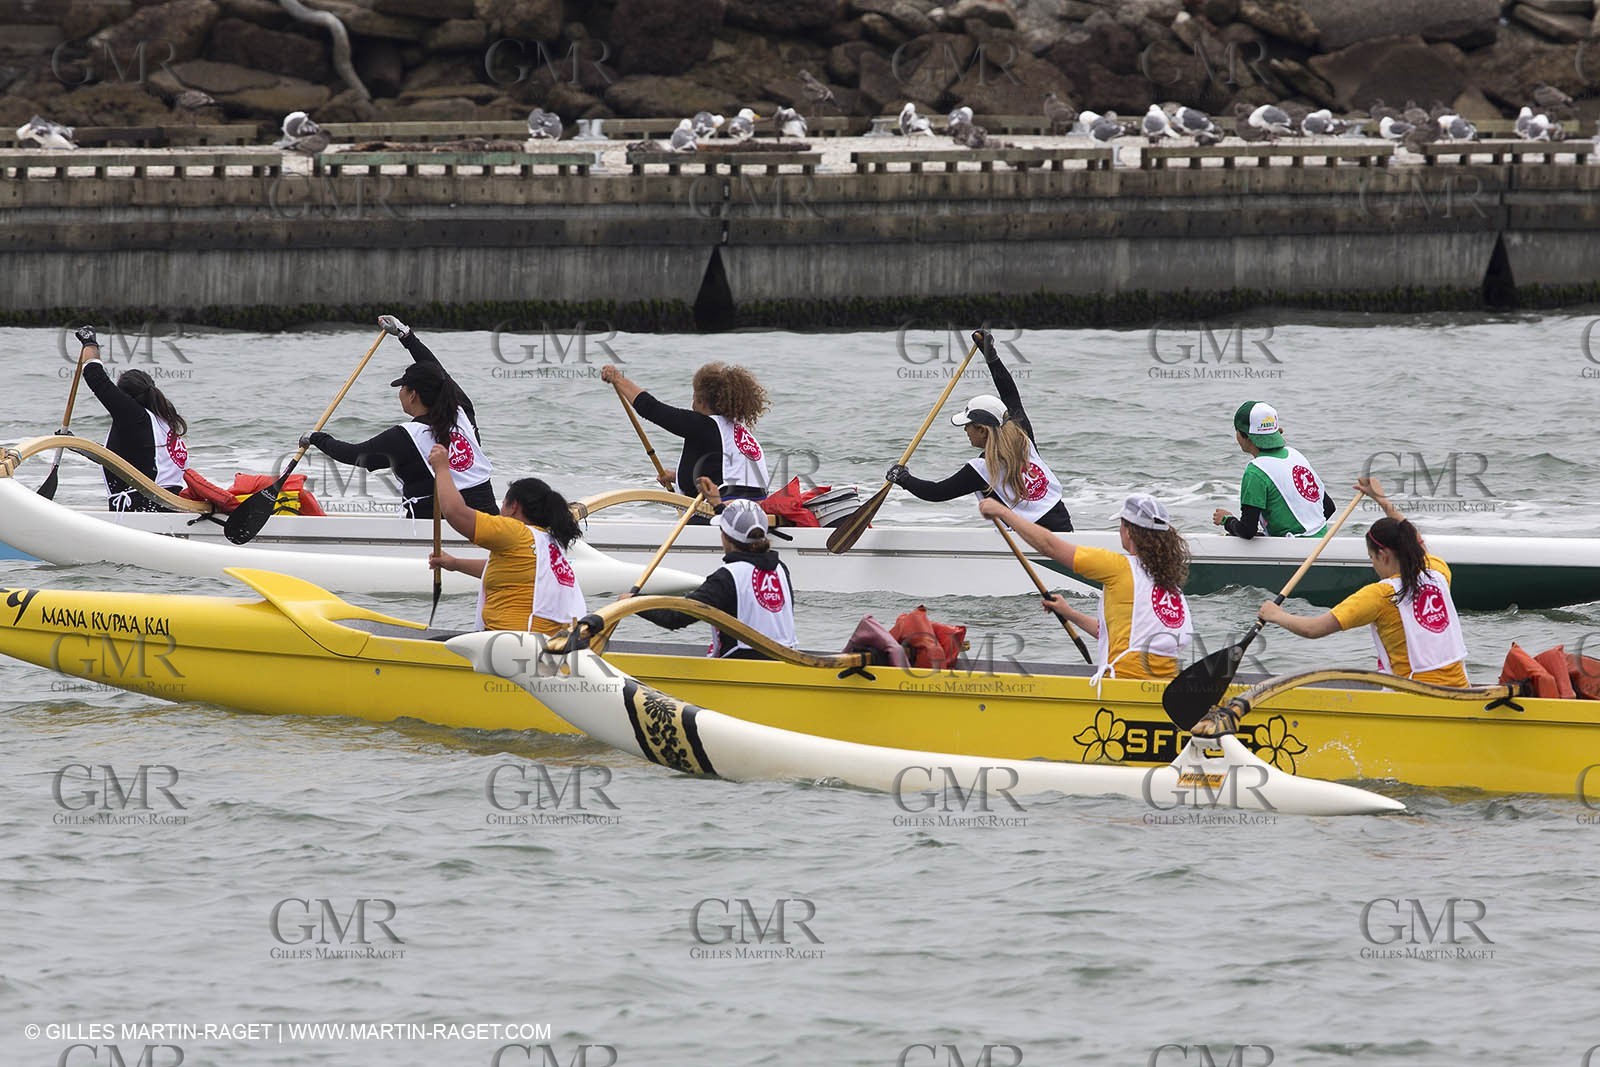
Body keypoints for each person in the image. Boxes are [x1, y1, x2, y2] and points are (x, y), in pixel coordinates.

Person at [1257, 477, 1468, 686]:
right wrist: (1382, 500)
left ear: (1383, 555)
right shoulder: (1438, 572)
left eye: (1371, 558)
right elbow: (1414, 540)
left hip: (1415, 697)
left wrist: (1276, 615)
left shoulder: (1380, 595)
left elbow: (1313, 629)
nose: (1373, 566)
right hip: (1460, 688)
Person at [979, 493, 1192, 681]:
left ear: (1129, 532)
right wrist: (1069, 612)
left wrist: (1003, 512)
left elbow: (1049, 546)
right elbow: (1109, 633)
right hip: (1168, 685)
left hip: (1125, 682)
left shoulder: (1118, 568)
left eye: (1121, 525)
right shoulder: (1170, 584)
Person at [303, 315, 496, 518]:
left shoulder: (406, 437)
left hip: (437, 528)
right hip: (490, 524)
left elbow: (356, 455)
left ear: (412, 395)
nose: (400, 392)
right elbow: (440, 375)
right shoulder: (462, 412)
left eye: (402, 386)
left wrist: (316, 438)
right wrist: (405, 335)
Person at [886, 330, 1072, 531]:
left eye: (968, 425)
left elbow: (937, 492)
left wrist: (903, 478)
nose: (965, 429)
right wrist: (990, 355)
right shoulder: (1021, 434)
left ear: (983, 430)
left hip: (1035, 540)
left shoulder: (981, 470)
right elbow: (1009, 393)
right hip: (1065, 527)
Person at [424, 445, 586, 635]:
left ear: (514, 506)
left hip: (513, 644)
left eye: (504, 504)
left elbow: (455, 512)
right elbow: (508, 569)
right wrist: (455, 564)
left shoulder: (515, 532)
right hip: (542, 641)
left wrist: (442, 468)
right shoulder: (547, 542)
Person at [628, 497, 798, 659]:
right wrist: (719, 507)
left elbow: (675, 618)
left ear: (724, 537)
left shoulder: (727, 577)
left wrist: (634, 603)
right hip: (788, 662)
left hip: (740, 668)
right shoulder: (781, 568)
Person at [600, 361, 770, 501]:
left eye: (694, 397)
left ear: (702, 401)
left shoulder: (704, 425)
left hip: (726, 513)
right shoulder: (737, 430)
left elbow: (651, 408)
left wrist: (618, 379)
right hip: (758, 508)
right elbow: (722, 471)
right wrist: (678, 477)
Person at [74, 325, 191, 511]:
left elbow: (95, 376)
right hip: (173, 506)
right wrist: (77, 444)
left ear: (125, 397)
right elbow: (123, 462)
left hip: (142, 509)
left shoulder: (135, 417)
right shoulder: (164, 421)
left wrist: (90, 342)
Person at [1212, 400, 1335, 538]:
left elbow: (1247, 531)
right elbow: (1329, 507)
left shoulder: (1255, 471)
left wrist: (1227, 520)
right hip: (1322, 541)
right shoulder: (1295, 455)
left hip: (1294, 549)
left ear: (1245, 436)